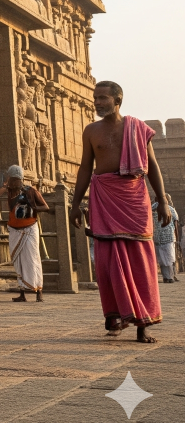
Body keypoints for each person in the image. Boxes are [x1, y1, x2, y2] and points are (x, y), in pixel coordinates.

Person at [71, 80, 170, 344]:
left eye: (103, 97)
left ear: (118, 100)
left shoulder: (137, 128)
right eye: (95, 98)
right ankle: (116, 314)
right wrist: (75, 205)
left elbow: (153, 166)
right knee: (107, 260)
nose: (98, 102)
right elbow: (84, 168)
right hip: (104, 197)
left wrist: (161, 199)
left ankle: (142, 322)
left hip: (134, 197)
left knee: (140, 258)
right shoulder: (91, 131)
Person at [3, 164, 48, 302]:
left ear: (18, 179)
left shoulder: (30, 191)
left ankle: (38, 291)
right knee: (18, 261)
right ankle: (22, 292)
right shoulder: (10, 191)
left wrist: (32, 207)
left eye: (12, 179)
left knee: (32, 259)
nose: (9, 181)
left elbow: (45, 206)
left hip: (29, 229)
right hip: (14, 230)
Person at [153, 193, 179, 283]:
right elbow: (175, 224)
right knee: (169, 257)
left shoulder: (151, 209)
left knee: (163, 258)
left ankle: (167, 276)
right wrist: (177, 237)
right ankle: (170, 277)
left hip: (158, 238)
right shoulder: (170, 209)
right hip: (168, 237)